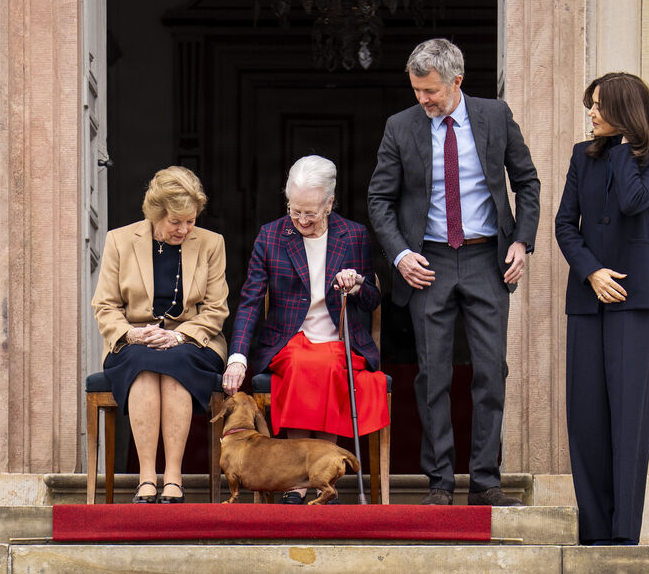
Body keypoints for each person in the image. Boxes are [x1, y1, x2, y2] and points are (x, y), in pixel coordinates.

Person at [367, 38, 540, 506]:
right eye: (417, 90)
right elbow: (379, 198)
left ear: (457, 81)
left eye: (431, 91)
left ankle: (485, 481)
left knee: (490, 371)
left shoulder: (494, 116)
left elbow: (526, 181)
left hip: (488, 259)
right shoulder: (400, 126)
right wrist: (401, 255)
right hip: (430, 263)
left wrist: (522, 241)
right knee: (433, 374)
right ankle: (439, 482)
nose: (423, 100)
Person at [554, 72, 649, 544]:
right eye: (591, 104)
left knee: (628, 417)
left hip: (636, 302)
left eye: (601, 105)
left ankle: (625, 535)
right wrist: (591, 272)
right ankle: (594, 534)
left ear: (625, 113)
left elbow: (634, 201)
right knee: (586, 419)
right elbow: (565, 224)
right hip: (588, 300)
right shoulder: (579, 156)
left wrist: (627, 146)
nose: (591, 113)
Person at [222, 155, 389, 505]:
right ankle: (295, 480)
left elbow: (372, 300)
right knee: (301, 363)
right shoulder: (272, 235)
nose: (300, 220)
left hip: (338, 337)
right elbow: (251, 299)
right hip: (290, 339)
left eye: (310, 213)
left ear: (330, 202)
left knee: (330, 364)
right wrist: (237, 356)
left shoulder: (353, 235)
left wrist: (357, 284)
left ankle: (322, 470)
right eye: (294, 210)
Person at [91, 166, 229, 504]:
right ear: (156, 214)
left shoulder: (212, 244)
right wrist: (132, 335)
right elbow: (105, 306)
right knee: (143, 361)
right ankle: (147, 477)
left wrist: (179, 336)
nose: (184, 229)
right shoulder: (119, 241)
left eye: (190, 221)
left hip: (194, 341)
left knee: (175, 361)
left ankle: (173, 477)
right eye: (175, 222)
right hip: (134, 341)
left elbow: (216, 310)